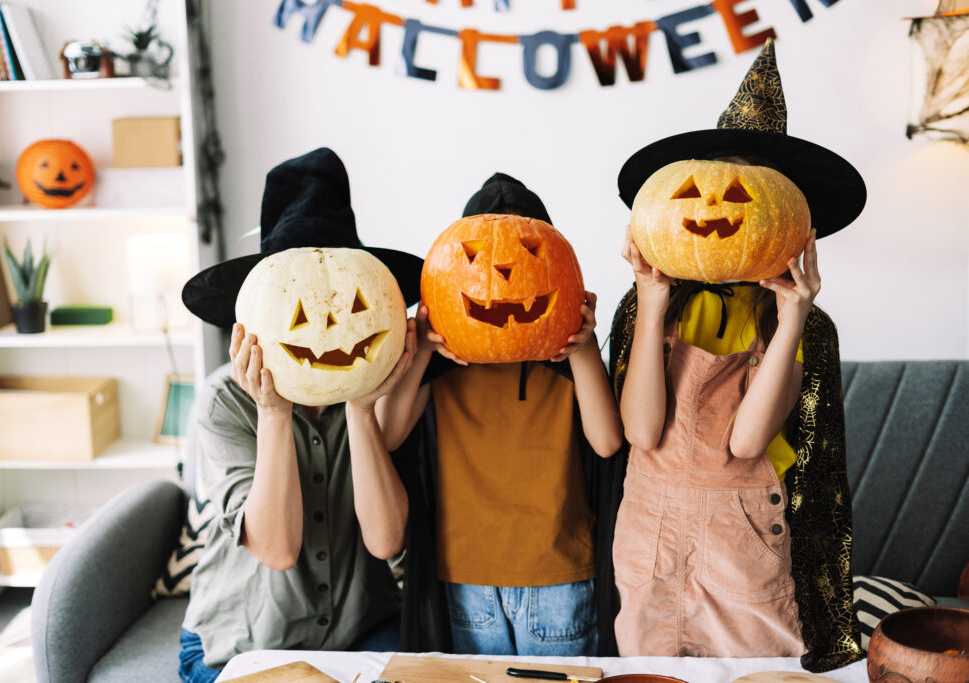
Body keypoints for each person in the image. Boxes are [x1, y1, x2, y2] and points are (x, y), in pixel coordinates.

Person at [608, 40, 865, 672]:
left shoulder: (807, 325)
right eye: (702, 187)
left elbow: (748, 442)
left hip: (745, 535)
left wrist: (794, 315)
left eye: (751, 192)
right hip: (651, 530)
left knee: (754, 671)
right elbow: (640, 430)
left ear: (790, 216)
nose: (718, 208)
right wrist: (651, 295)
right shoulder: (648, 305)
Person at [176, 148, 424, 682]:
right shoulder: (224, 401)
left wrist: (361, 407)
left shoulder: (389, 386)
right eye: (297, 308)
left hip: (361, 628)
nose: (327, 328)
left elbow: (387, 542)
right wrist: (273, 412)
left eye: (350, 303)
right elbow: (277, 548)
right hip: (243, 639)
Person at [376, 173, 623, 657]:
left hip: (558, 579)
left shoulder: (566, 364)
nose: (502, 276)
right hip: (465, 582)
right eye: (472, 260)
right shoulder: (440, 368)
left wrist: (583, 345)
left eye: (531, 256)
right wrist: (424, 348)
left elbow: (608, 442)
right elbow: (386, 434)